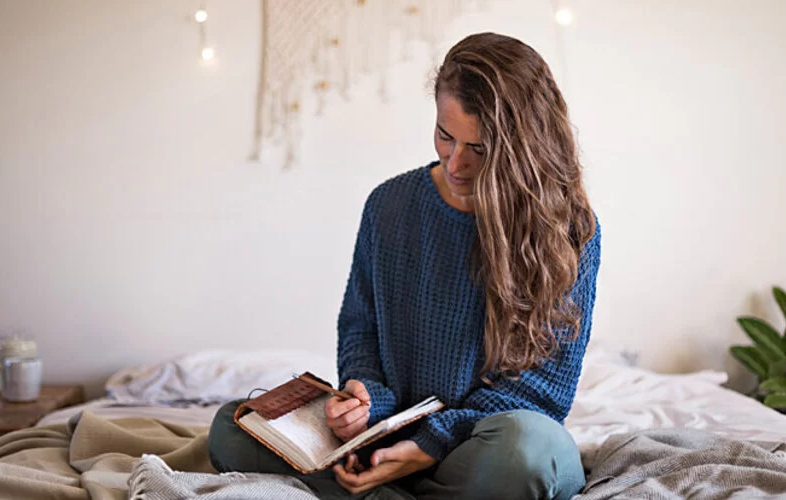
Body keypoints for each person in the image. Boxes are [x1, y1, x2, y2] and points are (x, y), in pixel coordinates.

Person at [208, 32, 601, 500]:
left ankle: (381, 491)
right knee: (233, 426)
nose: (456, 163)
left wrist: (430, 446)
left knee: (533, 450)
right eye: (445, 135)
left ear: (523, 148)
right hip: (385, 442)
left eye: (479, 149)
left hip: (477, 447)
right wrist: (363, 399)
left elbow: (542, 394)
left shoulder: (566, 228)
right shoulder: (388, 205)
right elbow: (360, 329)